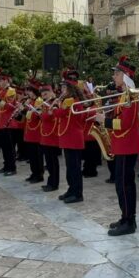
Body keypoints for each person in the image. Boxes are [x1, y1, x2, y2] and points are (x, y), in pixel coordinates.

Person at [95, 57, 139, 236]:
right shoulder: (124, 94)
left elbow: (125, 123)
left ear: (126, 76)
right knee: (121, 185)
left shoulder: (131, 95)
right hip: (122, 144)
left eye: (117, 73)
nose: (113, 76)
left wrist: (103, 120)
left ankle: (130, 221)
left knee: (125, 185)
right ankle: (125, 216)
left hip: (127, 145)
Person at [53, 70, 86, 204]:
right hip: (68, 137)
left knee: (75, 167)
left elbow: (58, 114)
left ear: (70, 89)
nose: (62, 90)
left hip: (73, 137)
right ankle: (71, 189)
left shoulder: (73, 101)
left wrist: (56, 104)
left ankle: (77, 193)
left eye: (64, 87)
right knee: (69, 166)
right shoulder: (69, 100)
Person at [38, 83, 61, 192]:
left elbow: (49, 116)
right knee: (49, 161)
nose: (44, 96)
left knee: (53, 162)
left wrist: (47, 114)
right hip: (45, 135)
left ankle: (54, 184)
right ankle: (50, 182)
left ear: (52, 93)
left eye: (46, 94)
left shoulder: (55, 103)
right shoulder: (45, 104)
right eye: (43, 94)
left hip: (52, 136)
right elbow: (43, 117)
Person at [0, 73, 18, 176]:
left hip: (8, 122)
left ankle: (12, 168)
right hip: (1, 122)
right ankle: (6, 165)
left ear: (6, 81)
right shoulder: (1, 91)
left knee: (9, 147)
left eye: (0, 80)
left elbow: (10, 106)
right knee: (4, 147)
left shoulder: (11, 91)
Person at [21, 83, 44, 184]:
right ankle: (33, 173)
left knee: (37, 155)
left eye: (29, 91)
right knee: (31, 155)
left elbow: (35, 116)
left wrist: (24, 110)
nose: (28, 93)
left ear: (34, 91)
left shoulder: (39, 101)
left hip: (36, 131)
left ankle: (39, 175)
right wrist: (22, 109)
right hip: (30, 130)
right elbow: (27, 116)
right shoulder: (31, 101)